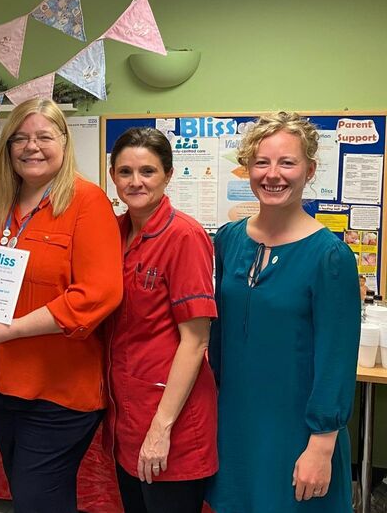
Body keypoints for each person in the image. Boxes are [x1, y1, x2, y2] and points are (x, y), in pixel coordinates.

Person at [0, 98, 123, 512]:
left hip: (58, 389)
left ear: (64, 143)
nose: (32, 147)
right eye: (21, 138)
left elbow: (98, 293)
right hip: (0, 382)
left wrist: (15, 329)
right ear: (8, 147)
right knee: (33, 499)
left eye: (44, 136)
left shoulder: (87, 201)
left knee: (36, 501)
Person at [207, 112, 360, 512]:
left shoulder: (330, 256)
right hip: (237, 423)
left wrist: (322, 444)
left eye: (287, 162)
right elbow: (220, 339)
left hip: (299, 431)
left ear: (309, 169)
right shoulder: (229, 240)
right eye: (262, 162)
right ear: (247, 169)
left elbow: (337, 358)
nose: (273, 175)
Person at [106, 128, 217, 513]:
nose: (135, 182)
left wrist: (160, 428)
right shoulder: (113, 233)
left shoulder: (184, 236)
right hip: (128, 416)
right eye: (125, 171)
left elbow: (196, 341)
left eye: (148, 171)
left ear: (168, 175)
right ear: (112, 174)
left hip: (171, 421)